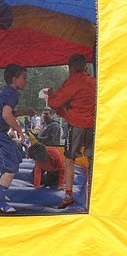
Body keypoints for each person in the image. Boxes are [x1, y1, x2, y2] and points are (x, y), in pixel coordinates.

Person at [0, 63, 33, 213]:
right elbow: (6, 115)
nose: (26, 81)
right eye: (24, 78)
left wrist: (25, 111)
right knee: (10, 167)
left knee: (15, 157)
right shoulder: (11, 93)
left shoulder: (9, 92)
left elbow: (9, 112)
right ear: (14, 79)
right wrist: (20, 131)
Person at [47, 53, 95, 208]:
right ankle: (94, 194)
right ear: (86, 67)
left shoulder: (73, 82)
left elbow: (55, 103)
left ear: (70, 68)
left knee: (69, 160)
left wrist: (51, 94)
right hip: (94, 127)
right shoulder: (94, 82)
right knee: (92, 159)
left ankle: (68, 195)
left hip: (76, 126)